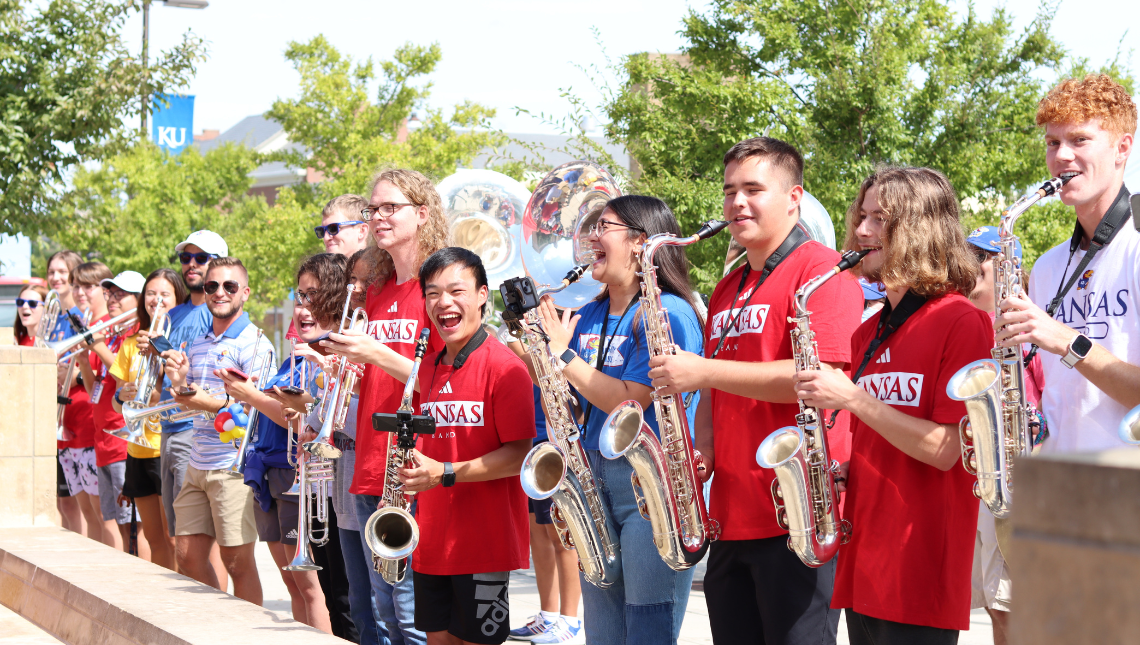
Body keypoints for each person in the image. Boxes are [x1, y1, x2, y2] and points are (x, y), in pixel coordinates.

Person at [647, 138, 862, 645]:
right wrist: (701, 449)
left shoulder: (821, 271)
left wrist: (703, 373)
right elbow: (713, 385)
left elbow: (819, 380)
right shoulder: (728, 283)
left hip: (797, 513)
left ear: (794, 197)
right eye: (729, 192)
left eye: (752, 190)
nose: (737, 203)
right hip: (730, 516)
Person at [793, 166, 991, 643]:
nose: (861, 230)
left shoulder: (963, 322)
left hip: (918, 570)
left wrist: (855, 399)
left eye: (879, 219)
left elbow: (946, 449)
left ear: (921, 228)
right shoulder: (868, 330)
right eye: (862, 216)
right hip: (864, 564)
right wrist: (843, 471)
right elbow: (887, 437)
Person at [519, 195, 704, 645]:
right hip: (592, 481)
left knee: (645, 632)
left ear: (641, 243)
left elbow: (631, 403)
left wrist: (561, 354)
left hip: (648, 490)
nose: (591, 238)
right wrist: (536, 359)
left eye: (604, 227)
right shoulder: (589, 313)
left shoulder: (669, 313)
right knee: (602, 636)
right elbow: (575, 403)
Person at [321, 168, 452, 645]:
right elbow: (382, 382)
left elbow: (446, 380)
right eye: (373, 209)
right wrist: (352, 374)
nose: (378, 217)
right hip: (369, 461)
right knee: (383, 616)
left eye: (389, 208)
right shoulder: (375, 291)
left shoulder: (439, 287)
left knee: (411, 615)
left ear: (422, 214)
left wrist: (376, 353)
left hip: (413, 466)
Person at [396, 247, 535, 645]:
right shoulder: (428, 366)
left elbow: (519, 456)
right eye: (433, 293)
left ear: (482, 296)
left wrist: (445, 473)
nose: (444, 303)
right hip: (430, 542)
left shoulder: (507, 368)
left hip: (484, 545)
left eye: (456, 291)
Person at [995, 74, 1140, 454]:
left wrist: (1063, 339)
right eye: (1052, 142)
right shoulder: (1046, 267)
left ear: (1122, 148)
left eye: (1079, 140)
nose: (1061, 156)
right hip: (1062, 487)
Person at [225, 256, 341, 635]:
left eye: (314, 297)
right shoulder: (294, 356)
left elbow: (300, 415)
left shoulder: (329, 357)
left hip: (298, 479)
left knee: (310, 588)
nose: (303, 307)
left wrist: (253, 395)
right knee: (292, 583)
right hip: (271, 475)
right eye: (300, 296)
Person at [163, 256, 273, 605]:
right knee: (186, 554)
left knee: (238, 564)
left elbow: (254, 413)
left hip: (233, 467)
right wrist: (178, 382)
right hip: (198, 462)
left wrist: (204, 400)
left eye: (229, 286)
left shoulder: (257, 344)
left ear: (246, 292)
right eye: (212, 286)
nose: (220, 292)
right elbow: (186, 403)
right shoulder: (198, 343)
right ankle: (217, 626)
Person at [962, 226, 1043, 645]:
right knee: (998, 609)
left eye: (982, 255)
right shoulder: (968, 326)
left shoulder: (1036, 331)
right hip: (984, 488)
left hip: (1023, 490)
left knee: (1015, 611)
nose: (971, 262)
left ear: (1009, 268)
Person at [156, 230, 231, 585]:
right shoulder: (178, 312)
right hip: (170, 425)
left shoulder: (215, 313)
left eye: (200, 258)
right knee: (181, 544)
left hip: (199, 432)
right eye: (186, 258)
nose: (190, 265)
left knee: (209, 547)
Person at [109, 269, 188, 570]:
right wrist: (123, 395)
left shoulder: (177, 341)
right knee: (154, 539)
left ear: (177, 297)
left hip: (164, 445)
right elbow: (118, 403)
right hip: (137, 448)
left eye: (164, 294)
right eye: (151, 294)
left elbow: (168, 394)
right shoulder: (131, 344)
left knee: (174, 539)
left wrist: (159, 348)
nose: (156, 299)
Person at [75, 266, 144, 554]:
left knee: (133, 527)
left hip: (122, 440)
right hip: (102, 439)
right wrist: (83, 357)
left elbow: (128, 380)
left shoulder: (136, 334)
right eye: (110, 293)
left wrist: (99, 347)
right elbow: (96, 390)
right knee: (114, 521)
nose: (112, 298)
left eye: (121, 294)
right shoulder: (115, 335)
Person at [505, 386, 581, 644]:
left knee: (561, 535)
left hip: (552, 438)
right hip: (528, 438)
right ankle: (548, 615)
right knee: (537, 532)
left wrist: (515, 344)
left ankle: (569, 619)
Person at [45, 250, 83, 339]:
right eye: (51, 272)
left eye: (62, 271)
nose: (55, 278)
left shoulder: (80, 316)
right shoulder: (52, 317)